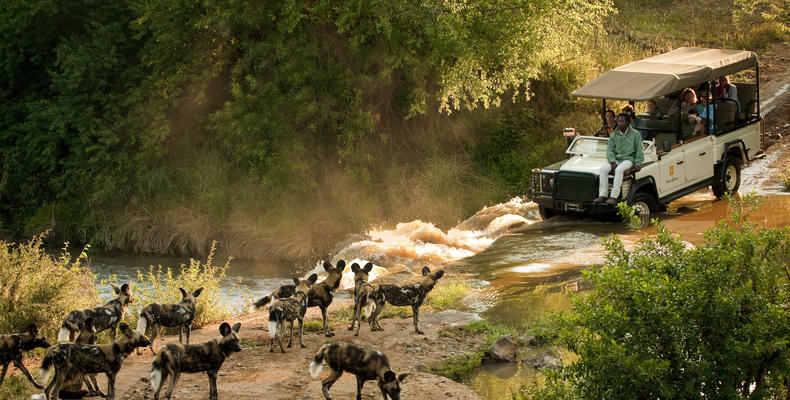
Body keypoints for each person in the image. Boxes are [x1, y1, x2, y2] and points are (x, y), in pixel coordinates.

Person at [594, 113, 644, 205]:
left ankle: (614, 197)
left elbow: (639, 150)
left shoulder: (635, 134)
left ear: (628, 122)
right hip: (617, 158)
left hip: (629, 159)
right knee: (603, 169)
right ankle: (603, 195)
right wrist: (612, 161)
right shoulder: (614, 135)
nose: (620, 123)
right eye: (619, 121)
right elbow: (610, 149)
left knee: (619, 170)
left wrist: (638, 163)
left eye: (622, 121)